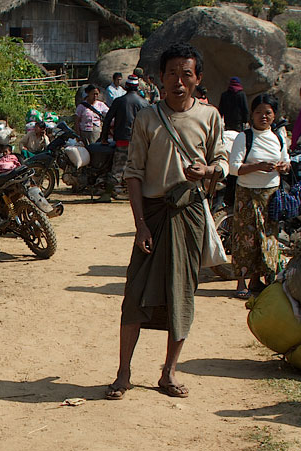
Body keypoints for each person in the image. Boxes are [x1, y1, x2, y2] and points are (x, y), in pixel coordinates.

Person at [107, 43, 228, 401]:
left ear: (198, 79)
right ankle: (123, 373)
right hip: (154, 216)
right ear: (160, 78)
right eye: (172, 73)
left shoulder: (210, 117)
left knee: (183, 294)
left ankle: (168, 373)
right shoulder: (146, 117)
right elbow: (134, 175)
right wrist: (140, 223)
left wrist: (207, 170)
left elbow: (221, 161)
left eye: (186, 74)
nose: (178, 81)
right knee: (134, 296)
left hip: (190, 214)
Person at [228, 93, 290, 299]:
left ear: (274, 115)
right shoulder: (243, 137)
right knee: (245, 238)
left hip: (271, 195)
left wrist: (283, 166)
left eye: (268, 113)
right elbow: (235, 168)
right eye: (258, 113)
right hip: (247, 195)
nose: (263, 117)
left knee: (268, 238)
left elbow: (287, 162)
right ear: (251, 115)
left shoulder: (279, 137)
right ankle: (241, 282)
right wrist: (258, 167)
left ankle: (257, 280)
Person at [100, 75, 149, 196]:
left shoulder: (119, 101)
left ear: (126, 87)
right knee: (138, 168)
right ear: (137, 88)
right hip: (139, 142)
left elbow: (107, 119)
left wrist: (104, 137)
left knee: (117, 169)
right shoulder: (144, 103)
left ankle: (107, 194)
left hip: (122, 140)